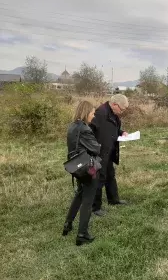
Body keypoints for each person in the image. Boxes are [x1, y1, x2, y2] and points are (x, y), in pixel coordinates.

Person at [63, 101, 102, 246]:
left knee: (79, 194)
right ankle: (82, 234)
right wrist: (99, 145)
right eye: (92, 113)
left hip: (76, 166)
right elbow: (96, 149)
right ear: (86, 113)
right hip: (87, 168)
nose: (93, 116)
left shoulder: (72, 126)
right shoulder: (85, 129)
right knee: (88, 199)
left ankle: (68, 224)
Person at [90, 94, 129, 216]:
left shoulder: (113, 114)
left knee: (110, 175)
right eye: (121, 109)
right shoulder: (100, 113)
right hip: (99, 152)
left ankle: (114, 200)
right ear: (114, 104)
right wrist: (94, 148)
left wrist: (121, 132)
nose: (121, 112)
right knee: (98, 179)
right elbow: (89, 131)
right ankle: (95, 208)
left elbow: (114, 129)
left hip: (109, 150)